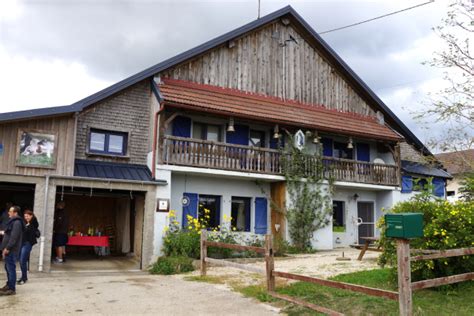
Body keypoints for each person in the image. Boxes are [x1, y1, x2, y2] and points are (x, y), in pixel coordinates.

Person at [0, 205, 24, 296]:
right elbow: (9, 234)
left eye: (10, 211)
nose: (8, 213)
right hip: (8, 249)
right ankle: (9, 284)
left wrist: (7, 248)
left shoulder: (17, 222)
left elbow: (14, 237)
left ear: (15, 213)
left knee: (11, 269)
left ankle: (11, 289)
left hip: (11, 250)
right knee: (8, 268)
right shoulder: (13, 222)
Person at [18, 209, 39, 285]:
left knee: (22, 260)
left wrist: (31, 220)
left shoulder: (33, 223)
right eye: (25, 216)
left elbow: (35, 225)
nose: (26, 217)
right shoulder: (25, 223)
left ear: (31, 216)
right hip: (22, 243)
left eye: (27, 216)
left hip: (27, 244)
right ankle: (24, 277)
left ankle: (24, 278)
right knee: (21, 261)